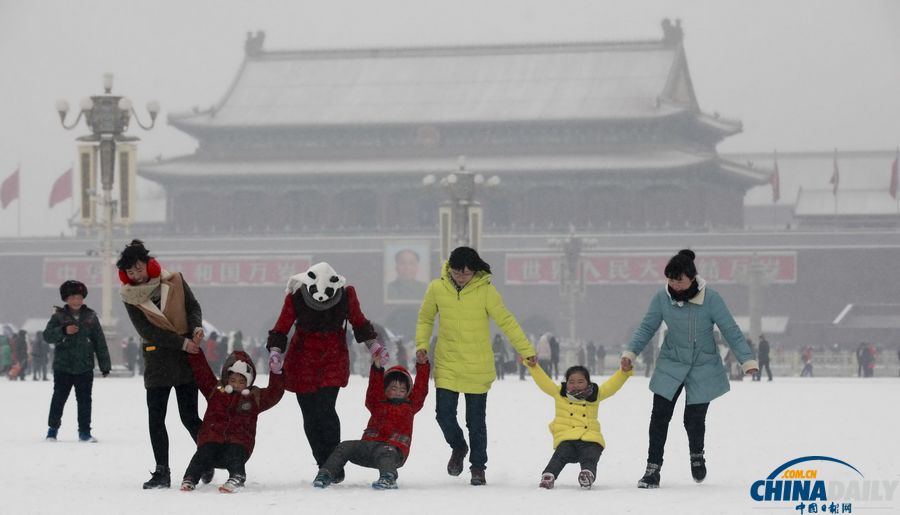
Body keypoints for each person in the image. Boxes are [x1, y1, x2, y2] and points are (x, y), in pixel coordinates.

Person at [620, 249, 757, 489]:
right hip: (671, 363)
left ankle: (696, 455)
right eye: (671, 280)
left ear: (692, 278)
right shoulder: (662, 298)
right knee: (659, 417)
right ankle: (653, 469)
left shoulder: (712, 299)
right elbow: (646, 328)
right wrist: (631, 353)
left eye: (680, 280)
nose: (675, 285)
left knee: (693, 419)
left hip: (703, 366)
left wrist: (747, 360)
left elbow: (730, 329)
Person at [415, 246, 537, 486]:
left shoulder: (486, 291)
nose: (461, 277)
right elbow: (426, 317)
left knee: (476, 421)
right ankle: (459, 446)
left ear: (475, 271)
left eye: (466, 273)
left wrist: (525, 350)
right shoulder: (436, 288)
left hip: (477, 364)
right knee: (444, 414)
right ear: (449, 268)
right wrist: (421, 344)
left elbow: (506, 320)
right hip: (448, 362)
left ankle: (478, 467)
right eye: (457, 272)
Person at [266, 261, 386, 481]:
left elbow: (359, 322)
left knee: (327, 411)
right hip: (302, 360)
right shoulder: (296, 296)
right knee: (310, 415)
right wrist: (275, 351)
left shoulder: (346, 296)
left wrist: (374, 346)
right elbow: (282, 326)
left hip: (332, 359)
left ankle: (333, 463)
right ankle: (323, 462)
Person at [116, 239, 208, 489]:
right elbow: (147, 329)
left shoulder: (175, 280)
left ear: (148, 264)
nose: (135, 275)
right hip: (157, 361)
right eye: (130, 271)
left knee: (189, 417)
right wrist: (182, 342)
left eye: (138, 268)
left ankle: (207, 460)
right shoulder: (129, 297)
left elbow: (193, 306)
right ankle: (162, 471)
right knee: (156, 418)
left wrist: (196, 327)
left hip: (185, 360)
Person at [313, 350, 430, 489]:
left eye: (402, 390)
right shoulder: (377, 403)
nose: (398, 392)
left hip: (394, 451)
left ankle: (388, 478)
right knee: (344, 446)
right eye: (393, 388)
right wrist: (377, 367)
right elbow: (374, 388)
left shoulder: (410, 406)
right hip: (369, 447)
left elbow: (421, 389)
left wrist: (422, 366)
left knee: (386, 452)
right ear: (385, 389)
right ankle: (326, 474)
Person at [179, 349, 285, 493]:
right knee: (202, 454)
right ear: (226, 378)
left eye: (242, 382)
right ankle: (190, 478)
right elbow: (202, 371)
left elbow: (275, 392)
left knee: (235, 454)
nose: (236, 384)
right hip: (212, 439)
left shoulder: (254, 397)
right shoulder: (215, 390)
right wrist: (195, 351)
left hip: (239, 441)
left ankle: (237, 476)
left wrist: (276, 373)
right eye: (233, 380)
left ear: (248, 381)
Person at [526, 360, 633, 489]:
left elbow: (612, 385)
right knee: (560, 455)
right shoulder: (559, 394)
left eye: (580, 382)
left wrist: (623, 372)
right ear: (566, 383)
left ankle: (587, 475)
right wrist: (534, 367)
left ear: (588, 383)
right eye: (571, 382)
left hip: (590, 438)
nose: (575, 385)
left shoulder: (595, 394)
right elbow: (543, 382)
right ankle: (549, 476)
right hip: (567, 437)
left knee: (590, 456)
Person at [43, 280, 111, 442]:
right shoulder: (58, 316)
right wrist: (63, 331)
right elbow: (47, 336)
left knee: (85, 400)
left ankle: (84, 432)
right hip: (63, 366)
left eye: (79, 297)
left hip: (84, 366)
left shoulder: (91, 317)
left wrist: (105, 365)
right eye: (73, 297)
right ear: (66, 299)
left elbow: (99, 342)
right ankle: (52, 430)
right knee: (58, 398)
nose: (76, 301)